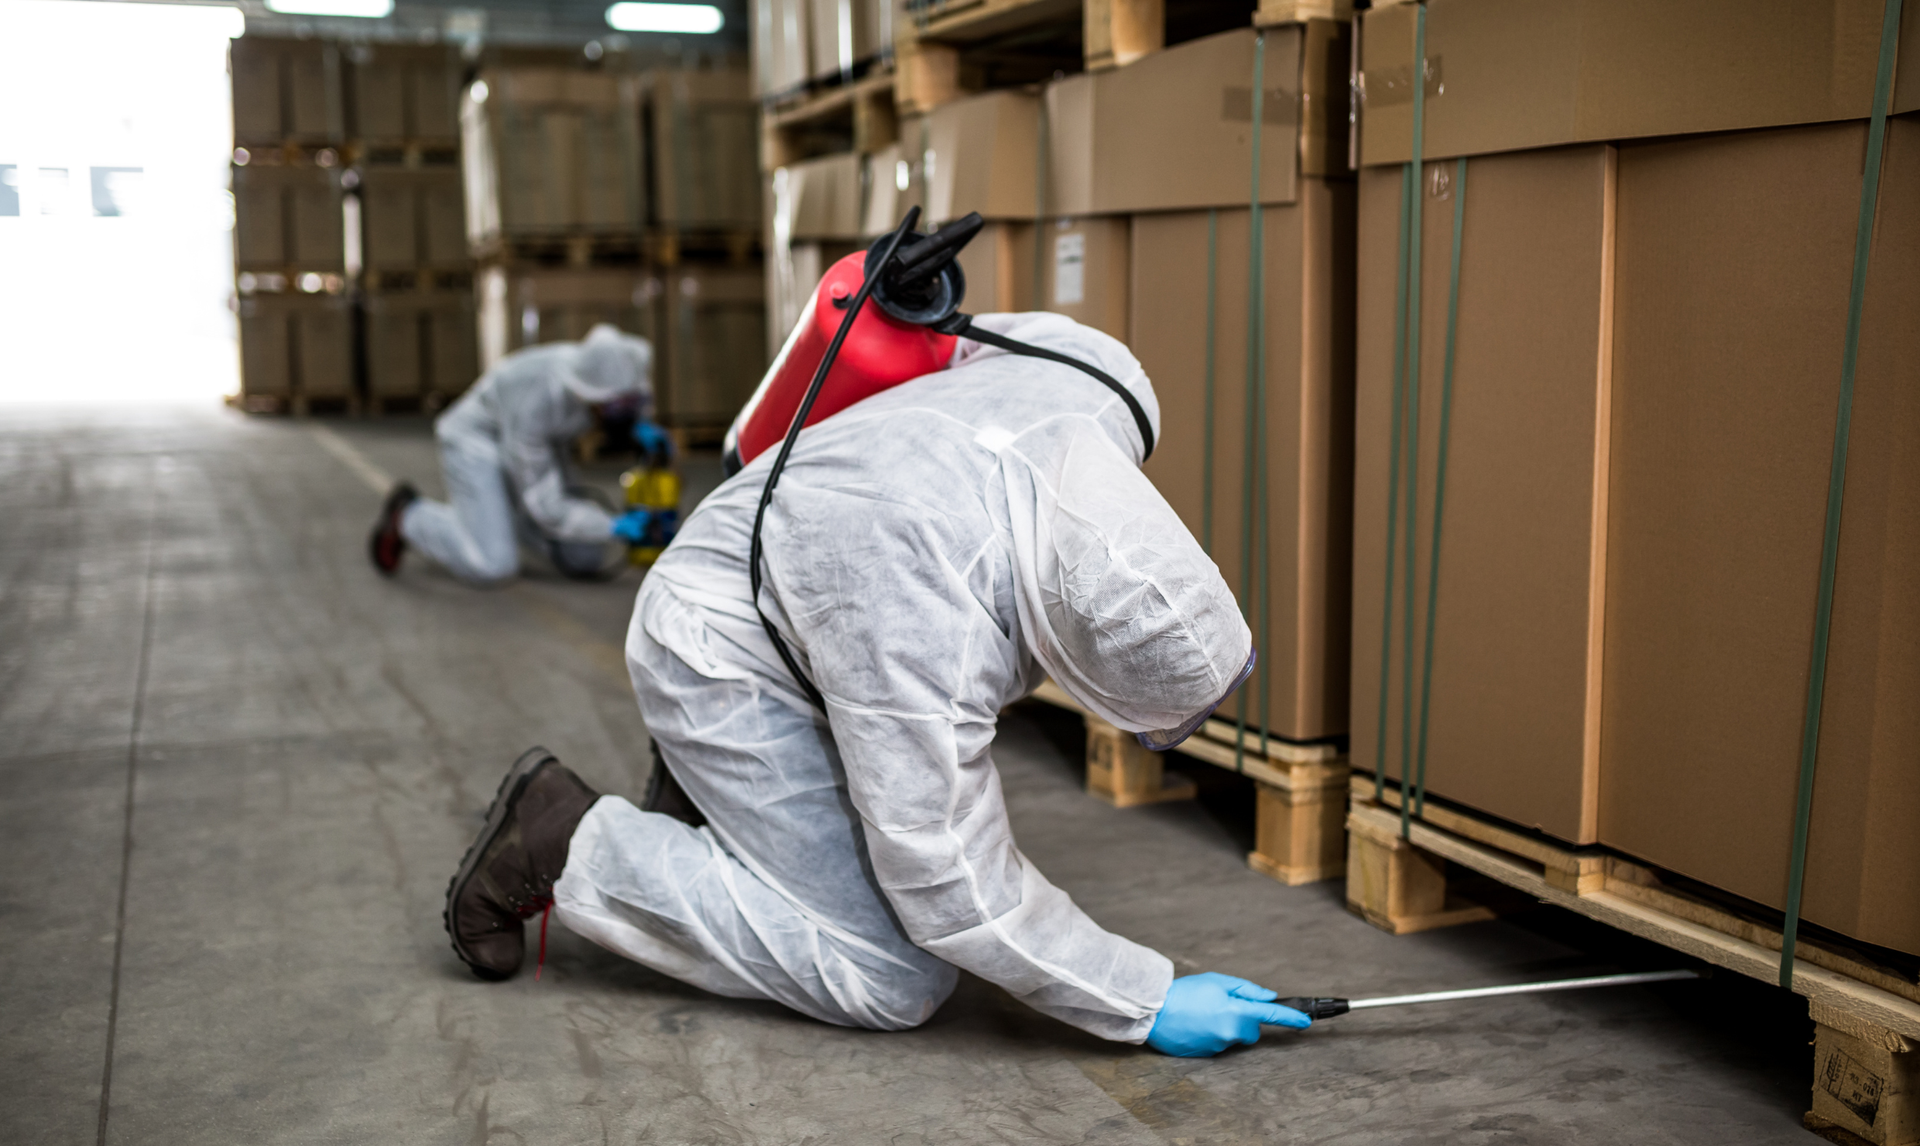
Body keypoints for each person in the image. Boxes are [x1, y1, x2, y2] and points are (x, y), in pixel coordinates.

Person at [443, 312, 1311, 1057]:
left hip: (795, 578)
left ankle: (721, 803)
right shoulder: (927, 621)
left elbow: (995, 335)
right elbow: (949, 880)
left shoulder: (1097, 385)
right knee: (894, 974)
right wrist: (1145, 1001)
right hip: (716, 645)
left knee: (879, 871)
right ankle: (566, 838)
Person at [369, 323, 659, 584]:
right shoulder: (536, 402)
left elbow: (624, 397)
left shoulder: (596, 370)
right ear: (590, 394)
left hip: (534, 445)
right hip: (477, 442)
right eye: (618, 407)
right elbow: (547, 506)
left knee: (585, 556)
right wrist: (613, 525)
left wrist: (642, 428)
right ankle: (409, 517)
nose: (624, 413)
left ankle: (497, 519)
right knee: (493, 564)